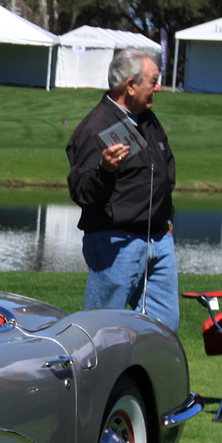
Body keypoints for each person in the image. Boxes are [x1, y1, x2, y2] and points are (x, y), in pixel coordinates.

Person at [65, 48, 178, 331]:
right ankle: (98, 377)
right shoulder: (95, 127)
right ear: (130, 85)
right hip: (116, 242)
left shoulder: (148, 120)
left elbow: (165, 171)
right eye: (153, 81)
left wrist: (168, 218)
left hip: (158, 238)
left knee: (163, 330)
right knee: (103, 331)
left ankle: (150, 376)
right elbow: (82, 192)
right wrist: (106, 170)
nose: (159, 88)